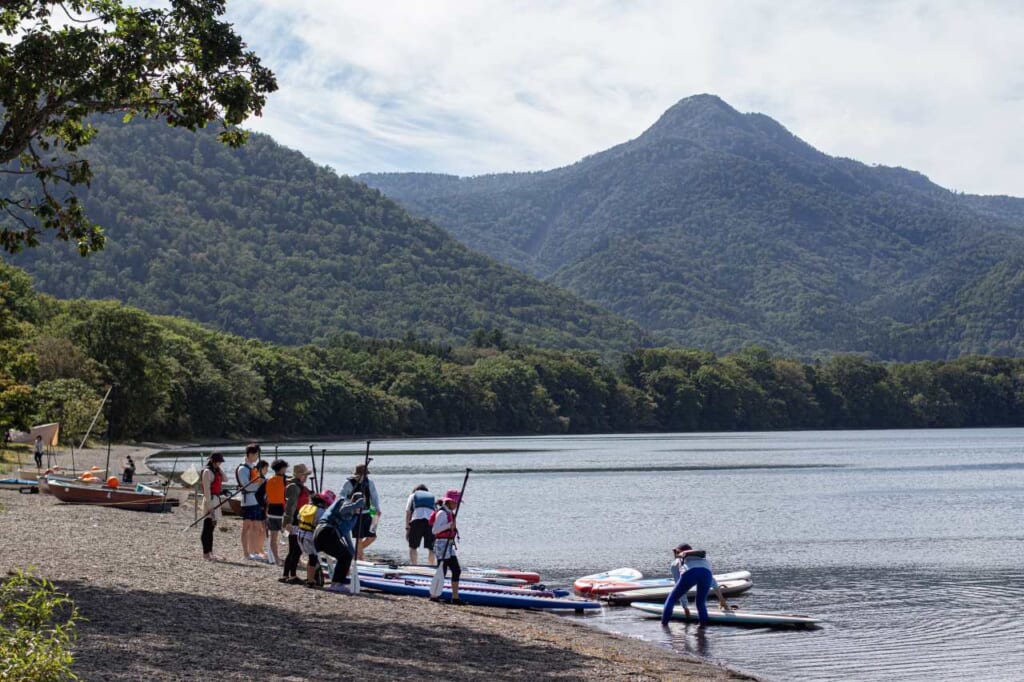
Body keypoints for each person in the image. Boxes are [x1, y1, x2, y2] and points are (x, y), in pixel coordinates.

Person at [661, 544, 728, 626]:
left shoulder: (675, 563)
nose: (674, 554)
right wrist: (722, 600)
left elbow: (678, 584)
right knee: (700, 603)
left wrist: (685, 607)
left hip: (690, 573)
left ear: (680, 552)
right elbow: (712, 581)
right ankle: (703, 628)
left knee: (671, 599)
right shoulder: (701, 559)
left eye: (675, 552)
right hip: (706, 574)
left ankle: (664, 626)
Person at [313, 491, 365, 593]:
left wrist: (352, 552)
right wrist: (355, 505)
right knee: (344, 557)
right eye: (360, 505)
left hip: (324, 534)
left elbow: (346, 536)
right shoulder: (345, 502)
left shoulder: (353, 515)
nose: (359, 508)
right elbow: (342, 510)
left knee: (346, 556)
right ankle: (337, 584)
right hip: (326, 532)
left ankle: (336, 583)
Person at [340, 463, 381, 560]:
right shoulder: (349, 483)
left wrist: (377, 510)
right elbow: (342, 497)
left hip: (368, 512)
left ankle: (355, 552)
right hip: (355, 515)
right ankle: (360, 557)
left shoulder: (369, 483)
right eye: (364, 474)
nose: (365, 476)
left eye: (366, 474)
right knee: (359, 538)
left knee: (372, 537)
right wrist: (350, 505)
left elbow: (374, 497)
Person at [430, 488, 463, 605]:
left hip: (448, 544)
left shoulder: (449, 513)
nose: (457, 504)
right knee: (442, 570)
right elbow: (435, 530)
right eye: (455, 502)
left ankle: (455, 598)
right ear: (449, 501)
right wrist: (449, 525)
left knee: (456, 570)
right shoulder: (442, 513)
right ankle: (434, 595)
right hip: (441, 544)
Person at [235, 443, 266, 562]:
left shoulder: (253, 467)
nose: (257, 458)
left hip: (256, 500)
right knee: (247, 527)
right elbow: (246, 487)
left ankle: (253, 551)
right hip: (248, 501)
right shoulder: (243, 468)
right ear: (250, 454)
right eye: (256, 455)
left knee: (255, 526)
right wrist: (259, 483)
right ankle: (246, 553)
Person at [200, 453, 226, 561]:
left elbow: (226, 479)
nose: (219, 464)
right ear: (213, 461)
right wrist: (210, 507)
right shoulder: (207, 472)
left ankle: (210, 552)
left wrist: (220, 469)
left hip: (216, 500)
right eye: (218, 462)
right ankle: (206, 553)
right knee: (207, 528)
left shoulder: (216, 471)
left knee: (212, 528)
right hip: (209, 500)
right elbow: (206, 491)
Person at [263, 459, 289, 565]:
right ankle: (292, 557)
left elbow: (266, 496)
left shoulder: (268, 479)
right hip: (282, 510)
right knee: (289, 534)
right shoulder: (285, 480)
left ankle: (276, 558)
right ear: (282, 469)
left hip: (271, 510)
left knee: (273, 537)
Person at [405, 484, 436, 565]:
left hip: (416, 521)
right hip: (430, 522)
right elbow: (435, 511)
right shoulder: (431, 497)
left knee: (413, 547)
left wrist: (407, 526)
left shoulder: (413, 495)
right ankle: (431, 565)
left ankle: (415, 565)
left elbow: (408, 511)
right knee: (431, 548)